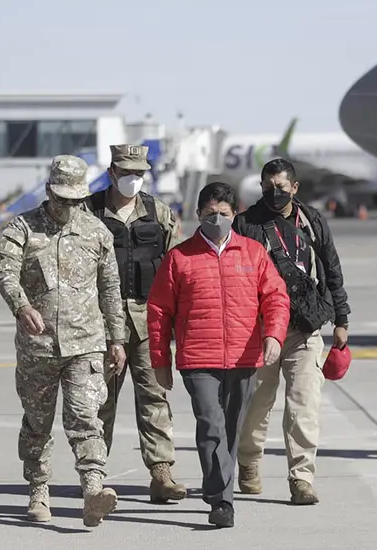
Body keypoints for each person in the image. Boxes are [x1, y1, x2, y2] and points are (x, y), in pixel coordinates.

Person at [0, 154, 128, 527]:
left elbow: (110, 289)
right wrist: (22, 306)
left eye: (76, 200)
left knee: (86, 417)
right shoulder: (22, 228)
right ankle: (38, 489)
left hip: (85, 342)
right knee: (38, 422)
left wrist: (117, 338)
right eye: (63, 199)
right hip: (38, 347)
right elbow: (6, 274)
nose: (70, 206)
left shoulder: (97, 233)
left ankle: (92, 490)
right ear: (49, 191)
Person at [147, 182, 290, 528]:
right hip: (198, 359)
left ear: (234, 215)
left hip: (243, 358)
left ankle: (220, 488)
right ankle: (220, 500)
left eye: (223, 214)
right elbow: (159, 311)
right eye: (210, 214)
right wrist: (160, 361)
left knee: (231, 428)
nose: (217, 220)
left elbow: (276, 297)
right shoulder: (179, 258)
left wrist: (273, 334)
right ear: (198, 214)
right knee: (211, 426)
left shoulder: (253, 253)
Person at [232, 158, 350, 505]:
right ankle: (249, 462)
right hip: (262, 330)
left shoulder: (313, 222)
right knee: (257, 405)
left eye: (280, 187)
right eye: (267, 187)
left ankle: (301, 477)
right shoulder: (246, 224)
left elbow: (332, 269)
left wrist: (341, 319)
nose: (273, 192)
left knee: (304, 405)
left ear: (294, 188)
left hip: (305, 328)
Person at [86, 144, 187, 503]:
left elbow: (178, 266)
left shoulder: (158, 212)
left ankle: (161, 473)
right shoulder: (88, 210)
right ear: (111, 171)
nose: (133, 179)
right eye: (126, 172)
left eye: (139, 173)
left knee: (154, 396)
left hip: (148, 321)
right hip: (99, 323)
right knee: (100, 401)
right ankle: (94, 477)